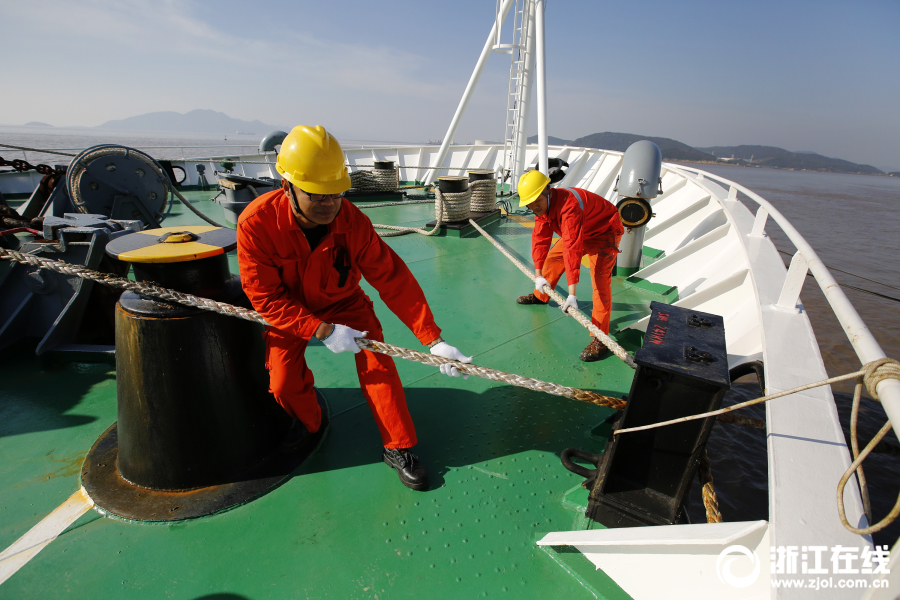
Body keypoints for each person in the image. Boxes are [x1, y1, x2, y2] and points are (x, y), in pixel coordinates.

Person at [236, 125, 471, 491]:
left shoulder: (352, 221)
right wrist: (321, 330)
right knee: (282, 382)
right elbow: (264, 296)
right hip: (289, 310)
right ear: (287, 187)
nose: (330, 204)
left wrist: (433, 340)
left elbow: (392, 278)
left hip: (344, 303)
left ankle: (398, 447)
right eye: (317, 195)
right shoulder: (256, 223)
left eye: (337, 193)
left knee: (379, 366)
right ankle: (312, 422)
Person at [514, 170, 624, 361]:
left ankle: (600, 338)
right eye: (529, 203)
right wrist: (538, 275)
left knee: (600, 283)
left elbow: (572, 248)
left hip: (604, 232)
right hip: (582, 230)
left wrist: (572, 295)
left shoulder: (569, 206)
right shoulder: (542, 208)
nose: (533, 206)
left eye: (536, 200)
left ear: (548, 190)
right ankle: (541, 296)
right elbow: (540, 239)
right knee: (553, 259)